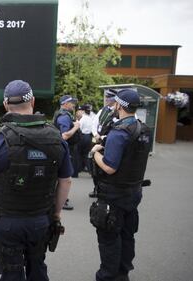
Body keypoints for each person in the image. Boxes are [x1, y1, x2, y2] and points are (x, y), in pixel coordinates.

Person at [0, 80, 73, 281]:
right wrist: (56, 215)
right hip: (41, 219)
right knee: (38, 266)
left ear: (6, 104)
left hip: (6, 222)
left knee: (11, 271)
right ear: (32, 101)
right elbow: (66, 181)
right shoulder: (57, 138)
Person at [89, 89, 151, 281]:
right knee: (127, 235)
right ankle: (123, 273)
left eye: (114, 103)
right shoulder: (143, 129)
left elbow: (109, 167)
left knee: (109, 238)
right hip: (134, 191)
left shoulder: (119, 132)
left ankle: (107, 275)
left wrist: (95, 153)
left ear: (119, 106)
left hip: (113, 194)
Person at [89, 90, 118, 198]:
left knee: (105, 167)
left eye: (109, 97)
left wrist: (102, 137)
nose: (106, 99)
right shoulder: (103, 110)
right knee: (94, 168)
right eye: (106, 97)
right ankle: (96, 188)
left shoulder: (117, 112)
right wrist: (96, 134)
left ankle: (105, 190)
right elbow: (94, 123)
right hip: (98, 140)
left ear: (115, 99)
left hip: (107, 142)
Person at [53, 94, 81, 210]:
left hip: (62, 149)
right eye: (71, 102)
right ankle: (61, 200)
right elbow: (64, 136)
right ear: (64, 104)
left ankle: (59, 198)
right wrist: (76, 127)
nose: (73, 105)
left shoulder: (64, 115)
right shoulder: (64, 117)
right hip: (62, 149)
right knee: (64, 177)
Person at [77, 103, 93, 173]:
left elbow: (79, 128)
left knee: (79, 153)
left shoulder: (82, 119)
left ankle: (79, 168)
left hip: (83, 136)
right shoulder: (90, 118)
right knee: (87, 153)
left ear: (83, 111)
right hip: (89, 137)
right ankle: (89, 169)